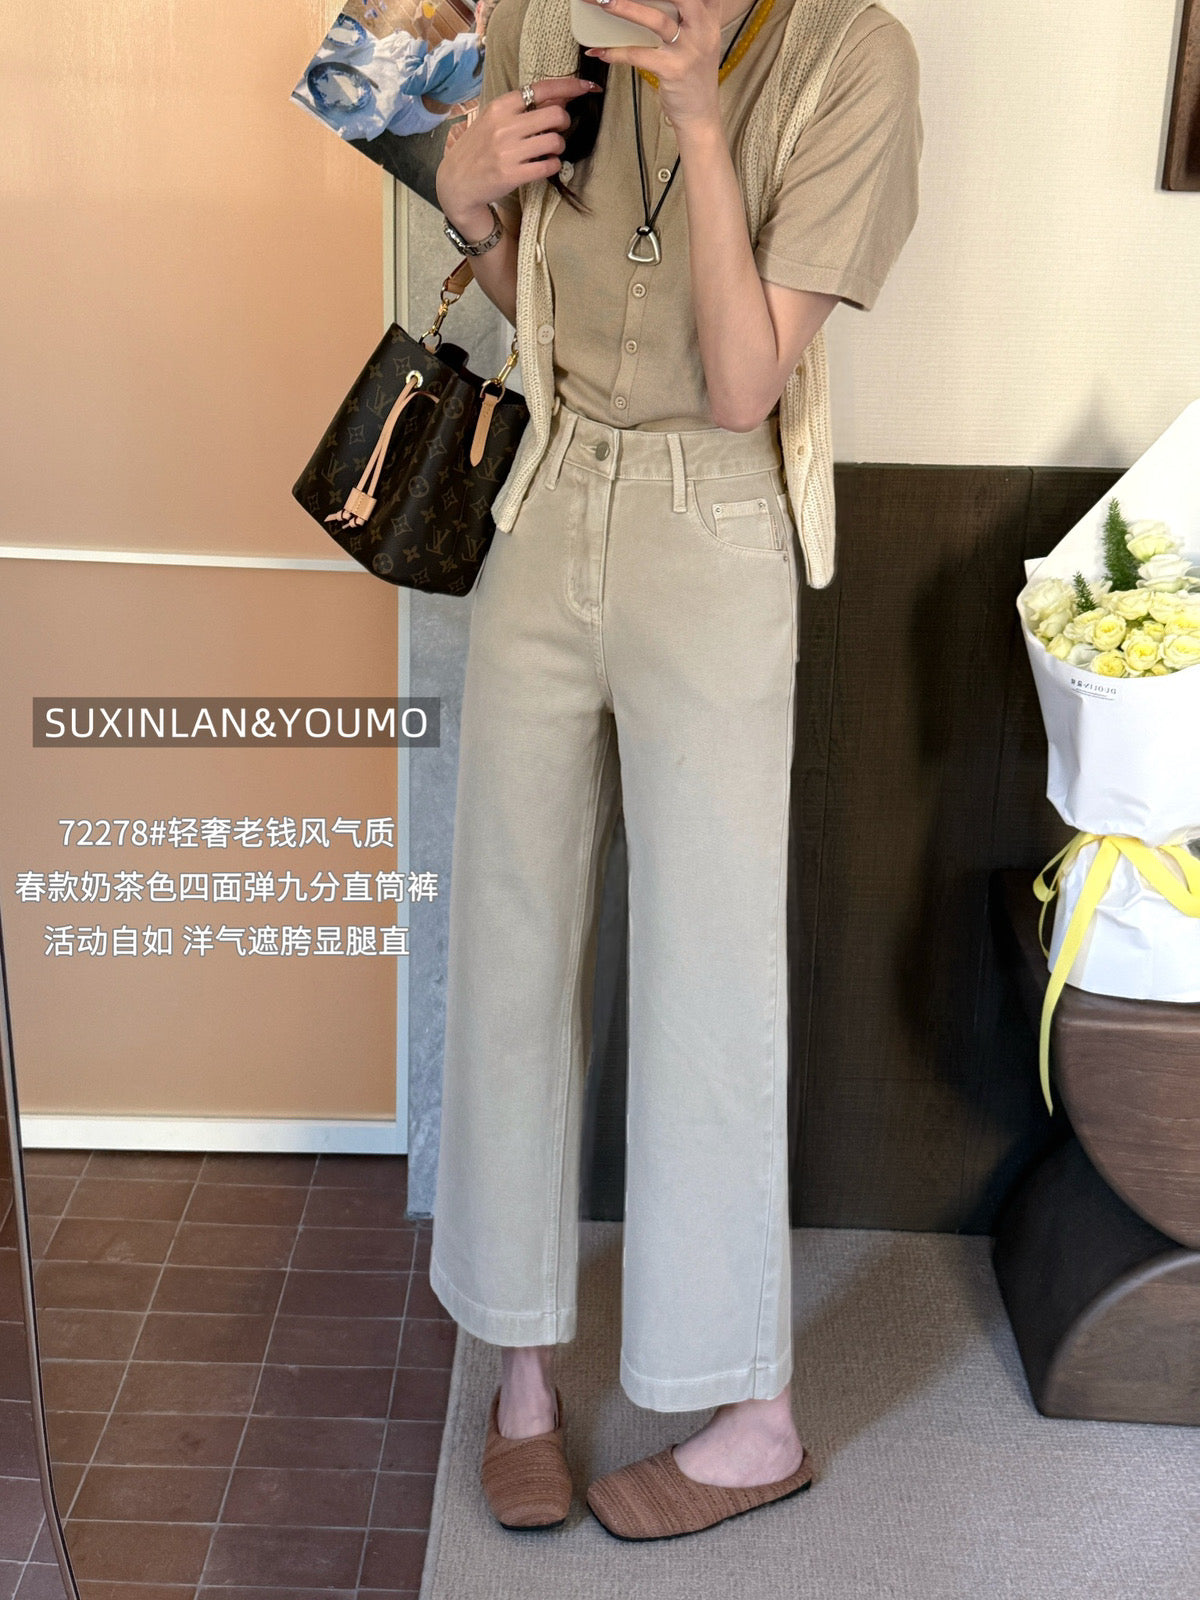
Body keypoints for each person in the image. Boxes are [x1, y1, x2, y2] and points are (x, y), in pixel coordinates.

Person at [429, 0, 922, 1541]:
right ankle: (520, 1374)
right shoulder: (541, 14)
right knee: (509, 947)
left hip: (713, 519)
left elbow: (742, 382)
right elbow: (539, 309)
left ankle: (751, 1411)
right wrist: (469, 208)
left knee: (710, 973)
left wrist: (703, 117)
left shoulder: (853, 56)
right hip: (546, 486)